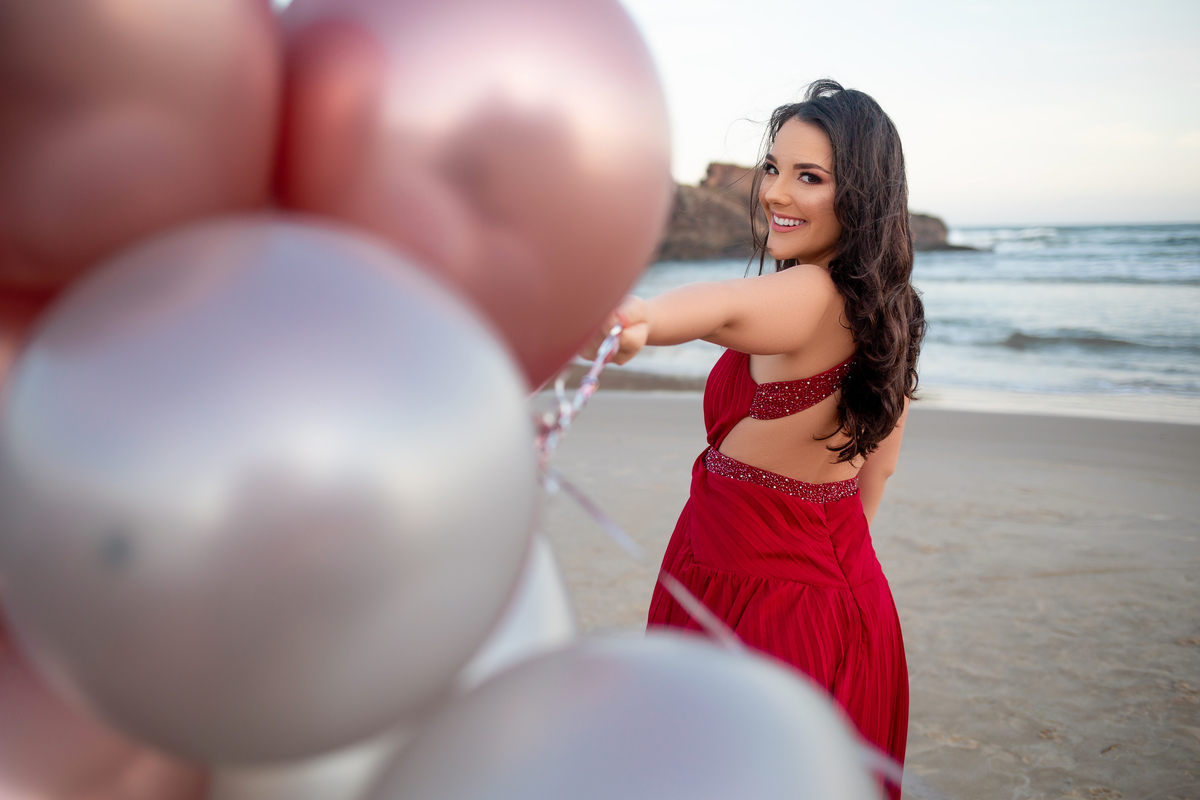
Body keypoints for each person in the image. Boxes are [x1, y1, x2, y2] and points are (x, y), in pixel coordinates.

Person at [586, 80, 923, 788]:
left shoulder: (808, 293)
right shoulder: (890, 312)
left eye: (810, 177)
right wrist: (829, 576)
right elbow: (878, 474)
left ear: (860, 193)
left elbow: (723, 306)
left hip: (764, 604)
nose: (776, 193)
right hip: (832, 594)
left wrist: (643, 319)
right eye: (774, 168)